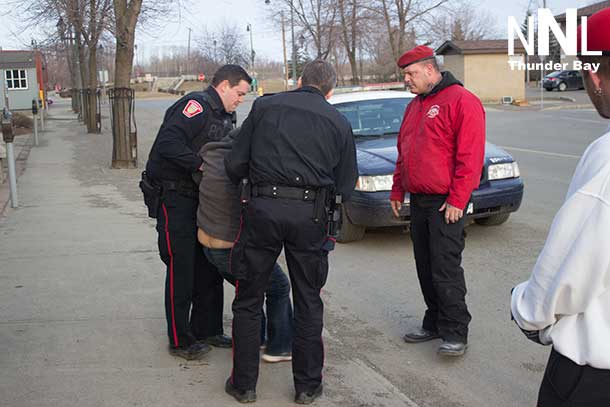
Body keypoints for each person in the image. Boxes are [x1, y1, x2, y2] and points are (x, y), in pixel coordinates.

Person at [223, 60, 358, 404]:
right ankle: (307, 386)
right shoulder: (338, 121)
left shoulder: (265, 107)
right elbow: (346, 183)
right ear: (329, 90)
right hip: (311, 215)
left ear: (299, 81)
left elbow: (235, 162)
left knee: (249, 299)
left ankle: (244, 384)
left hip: (262, 209)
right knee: (309, 300)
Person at [511, 8, 610, 406]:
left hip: (593, 377)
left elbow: (567, 271)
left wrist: (526, 310)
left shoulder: (606, 159)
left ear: (595, 76)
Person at [144, 64, 251, 360]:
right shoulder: (196, 106)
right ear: (224, 86)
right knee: (182, 266)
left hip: (202, 198)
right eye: (240, 93)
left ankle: (208, 328)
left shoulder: (225, 114)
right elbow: (167, 143)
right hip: (175, 196)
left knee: (209, 262)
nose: (241, 99)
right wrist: (200, 165)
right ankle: (180, 339)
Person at [389, 45, 485, 357]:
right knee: (425, 265)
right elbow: (404, 151)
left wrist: (459, 199)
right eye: (405, 74)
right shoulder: (415, 106)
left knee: (445, 267)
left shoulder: (462, 101)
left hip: (446, 203)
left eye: (411, 73)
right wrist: (397, 189)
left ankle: (455, 330)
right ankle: (434, 322)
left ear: (431, 70)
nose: (407, 79)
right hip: (418, 200)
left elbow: (470, 157)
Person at [196, 128, 294, 368]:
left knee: (251, 289)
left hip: (207, 244)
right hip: (229, 248)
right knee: (279, 287)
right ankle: (280, 346)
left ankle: (258, 338)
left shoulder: (210, 156)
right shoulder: (242, 167)